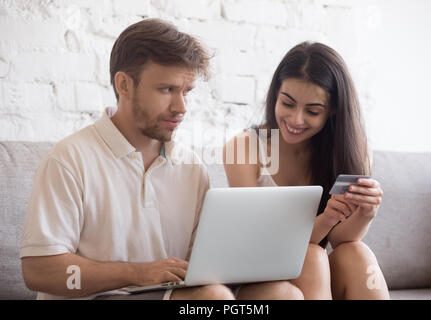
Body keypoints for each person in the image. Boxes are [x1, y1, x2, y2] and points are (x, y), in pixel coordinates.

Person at [20, 18, 303, 300]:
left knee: (283, 294)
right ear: (124, 85)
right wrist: (137, 273)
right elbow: (40, 272)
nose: (181, 107)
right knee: (212, 299)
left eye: (186, 91)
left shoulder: (191, 168)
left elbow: (201, 269)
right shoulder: (68, 161)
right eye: (167, 89)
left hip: (167, 296)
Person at [223, 42, 390, 300]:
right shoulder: (245, 147)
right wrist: (324, 220)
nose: (296, 120)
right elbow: (261, 244)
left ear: (333, 110)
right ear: (275, 94)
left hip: (315, 272)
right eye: (287, 103)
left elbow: (342, 241)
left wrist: (366, 213)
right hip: (260, 275)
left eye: (312, 111)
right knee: (311, 255)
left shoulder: (354, 150)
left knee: (357, 254)